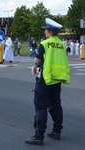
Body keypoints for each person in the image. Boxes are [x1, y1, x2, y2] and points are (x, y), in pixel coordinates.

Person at [25, 18, 70, 146]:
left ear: (49, 31)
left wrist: (37, 61)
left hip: (45, 79)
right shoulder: (61, 44)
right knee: (56, 105)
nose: (45, 32)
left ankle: (38, 136)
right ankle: (56, 131)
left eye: (45, 30)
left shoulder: (45, 44)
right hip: (57, 79)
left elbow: (37, 61)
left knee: (41, 107)